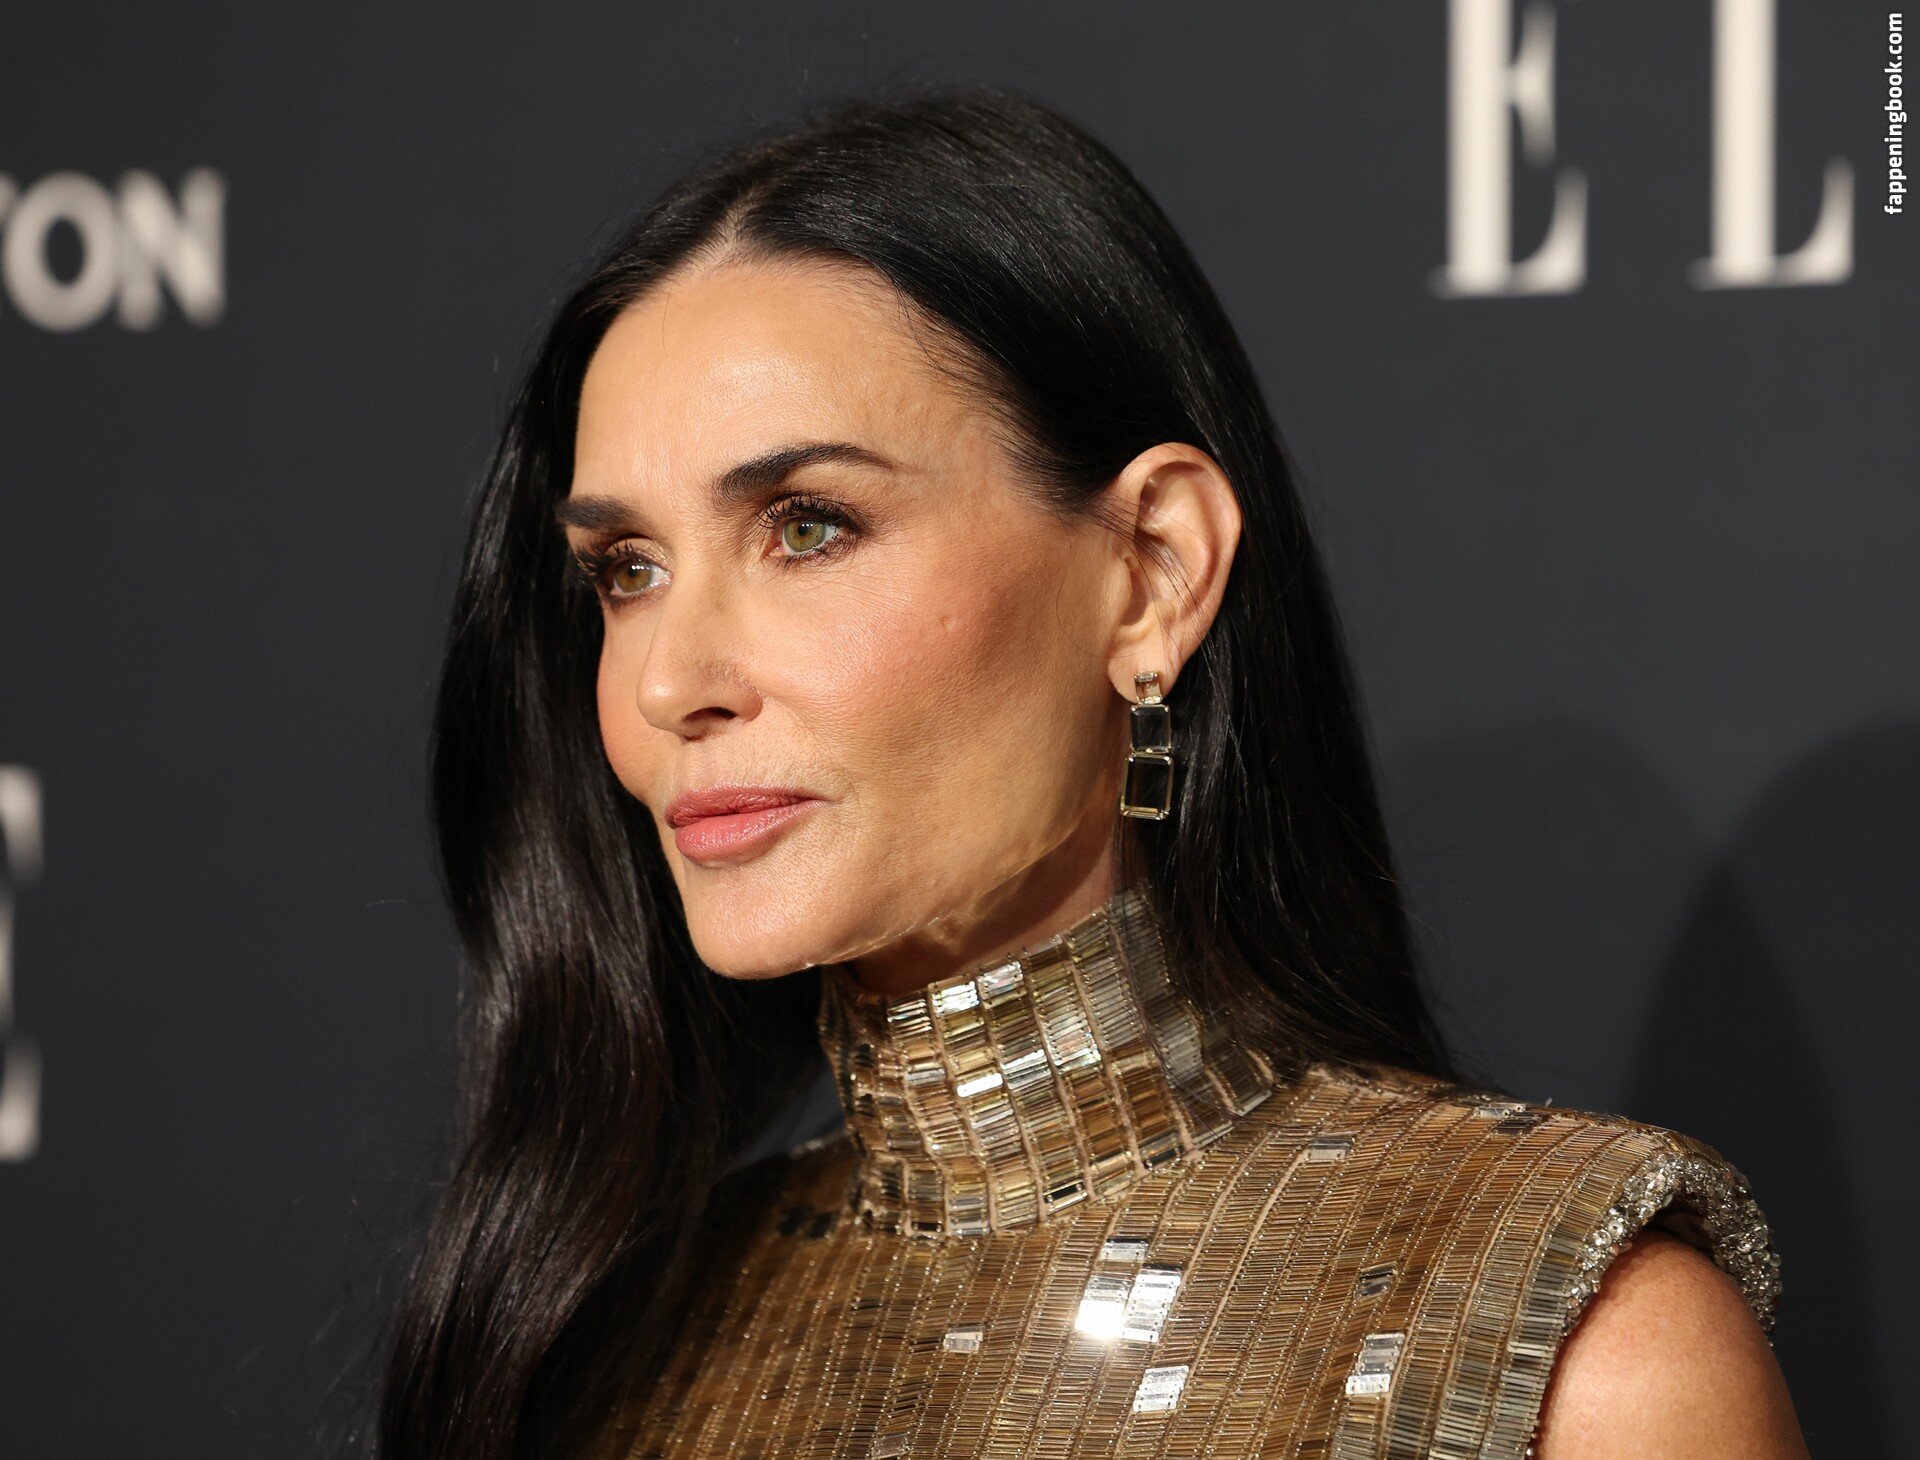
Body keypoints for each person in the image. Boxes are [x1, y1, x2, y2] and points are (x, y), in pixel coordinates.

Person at [376, 86, 1808, 1460]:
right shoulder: (600, 1341)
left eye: (808, 526)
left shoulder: (1574, 1344)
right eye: (626, 569)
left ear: (1151, 573)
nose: (667, 683)